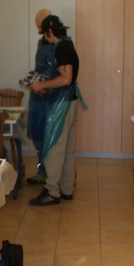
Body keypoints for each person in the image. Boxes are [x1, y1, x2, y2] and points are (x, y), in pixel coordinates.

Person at [27, 15, 85, 207]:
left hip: (61, 103)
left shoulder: (61, 48)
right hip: (70, 101)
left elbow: (65, 79)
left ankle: (52, 192)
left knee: (54, 147)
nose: (45, 38)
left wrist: (42, 85)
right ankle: (66, 189)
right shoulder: (68, 45)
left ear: (50, 31)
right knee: (67, 148)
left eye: (45, 34)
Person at [26, 8, 56, 185]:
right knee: (38, 136)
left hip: (53, 98)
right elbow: (40, 68)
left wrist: (44, 84)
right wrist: (33, 80)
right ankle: (42, 171)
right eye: (37, 27)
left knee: (54, 139)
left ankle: (56, 175)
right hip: (37, 97)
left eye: (41, 27)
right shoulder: (41, 42)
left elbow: (62, 76)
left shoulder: (61, 44)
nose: (39, 30)